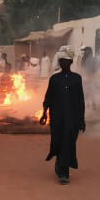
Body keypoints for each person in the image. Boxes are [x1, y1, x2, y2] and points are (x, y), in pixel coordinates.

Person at [39, 48, 85, 185]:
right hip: (57, 116)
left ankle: (63, 173)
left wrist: (82, 120)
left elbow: (80, 100)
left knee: (68, 142)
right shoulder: (54, 79)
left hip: (72, 118)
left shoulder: (77, 79)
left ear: (70, 62)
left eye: (66, 61)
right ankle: (59, 165)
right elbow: (48, 97)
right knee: (58, 141)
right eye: (62, 61)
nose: (64, 63)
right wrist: (44, 113)